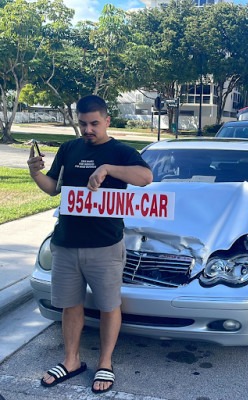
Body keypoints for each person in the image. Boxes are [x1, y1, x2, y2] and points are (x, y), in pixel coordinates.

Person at [27, 95, 153, 394]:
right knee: (71, 306)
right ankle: (71, 361)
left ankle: (105, 363)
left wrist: (108, 168)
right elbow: (52, 189)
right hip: (66, 242)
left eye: (94, 123)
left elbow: (146, 177)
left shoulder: (121, 151)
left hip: (105, 244)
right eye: (83, 123)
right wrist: (35, 173)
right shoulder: (69, 148)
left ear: (107, 120)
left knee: (109, 306)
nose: (88, 129)